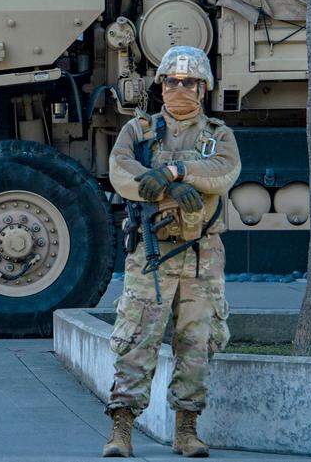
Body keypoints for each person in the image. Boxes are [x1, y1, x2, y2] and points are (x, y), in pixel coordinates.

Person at [102, 45, 241, 458]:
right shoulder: (139, 131)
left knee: (196, 344)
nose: (180, 88)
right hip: (151, 255)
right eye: (172, 81)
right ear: (160, 85)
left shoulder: (218, 135)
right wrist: (166, 185)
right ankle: (121, 432)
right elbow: (121, 170)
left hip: (202, 257)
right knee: (136, 341)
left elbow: (225, 172)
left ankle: (186, 430)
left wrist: (180, 172)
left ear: (204, 87)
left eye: (189, 82)